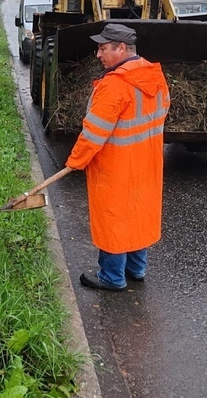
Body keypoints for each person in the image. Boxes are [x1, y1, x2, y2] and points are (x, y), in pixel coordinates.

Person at [65, 23, 170, 291]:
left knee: (114, 217)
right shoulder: (154, 75)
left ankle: (112, 277)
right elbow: (161, 113)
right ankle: (136, 269)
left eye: (102, 49)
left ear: (121, 48)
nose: (98, 55)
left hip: (116, 166)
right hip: (147, 163)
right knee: (138, 213)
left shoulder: (114, 86)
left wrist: (75, 161)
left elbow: (94, 133)